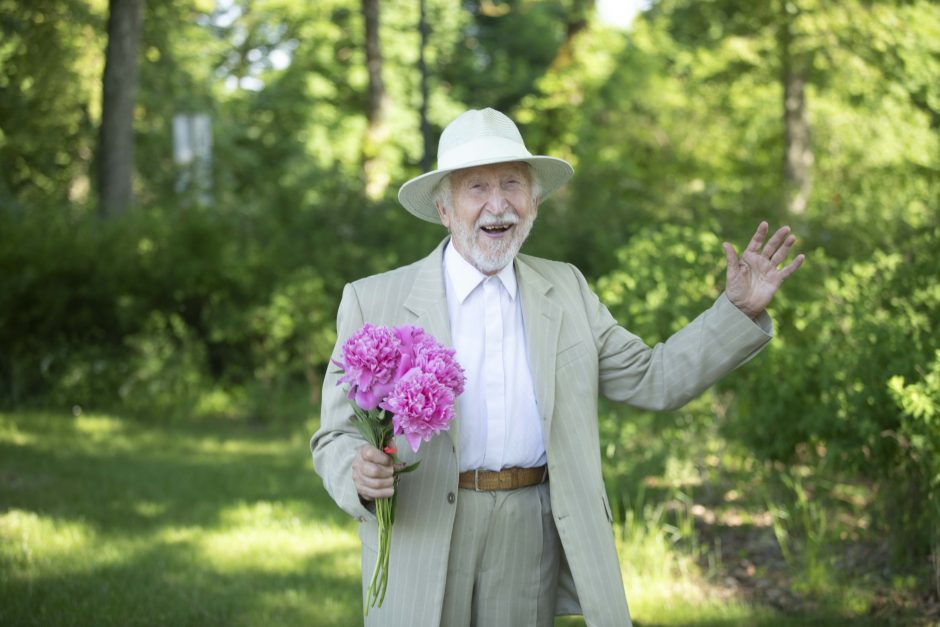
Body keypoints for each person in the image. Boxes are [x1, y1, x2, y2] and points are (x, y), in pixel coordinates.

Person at [311, 108, 804, 627]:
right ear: (443, 207)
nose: (497, 204)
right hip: (422, 524)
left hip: (529, 531)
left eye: (512, 185)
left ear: (535, 201)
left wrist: (738, 311)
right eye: (476, 187)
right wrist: (357, 473)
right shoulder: (374, 300)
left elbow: (654, 378)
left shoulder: (566, 288)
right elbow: (334, 436)